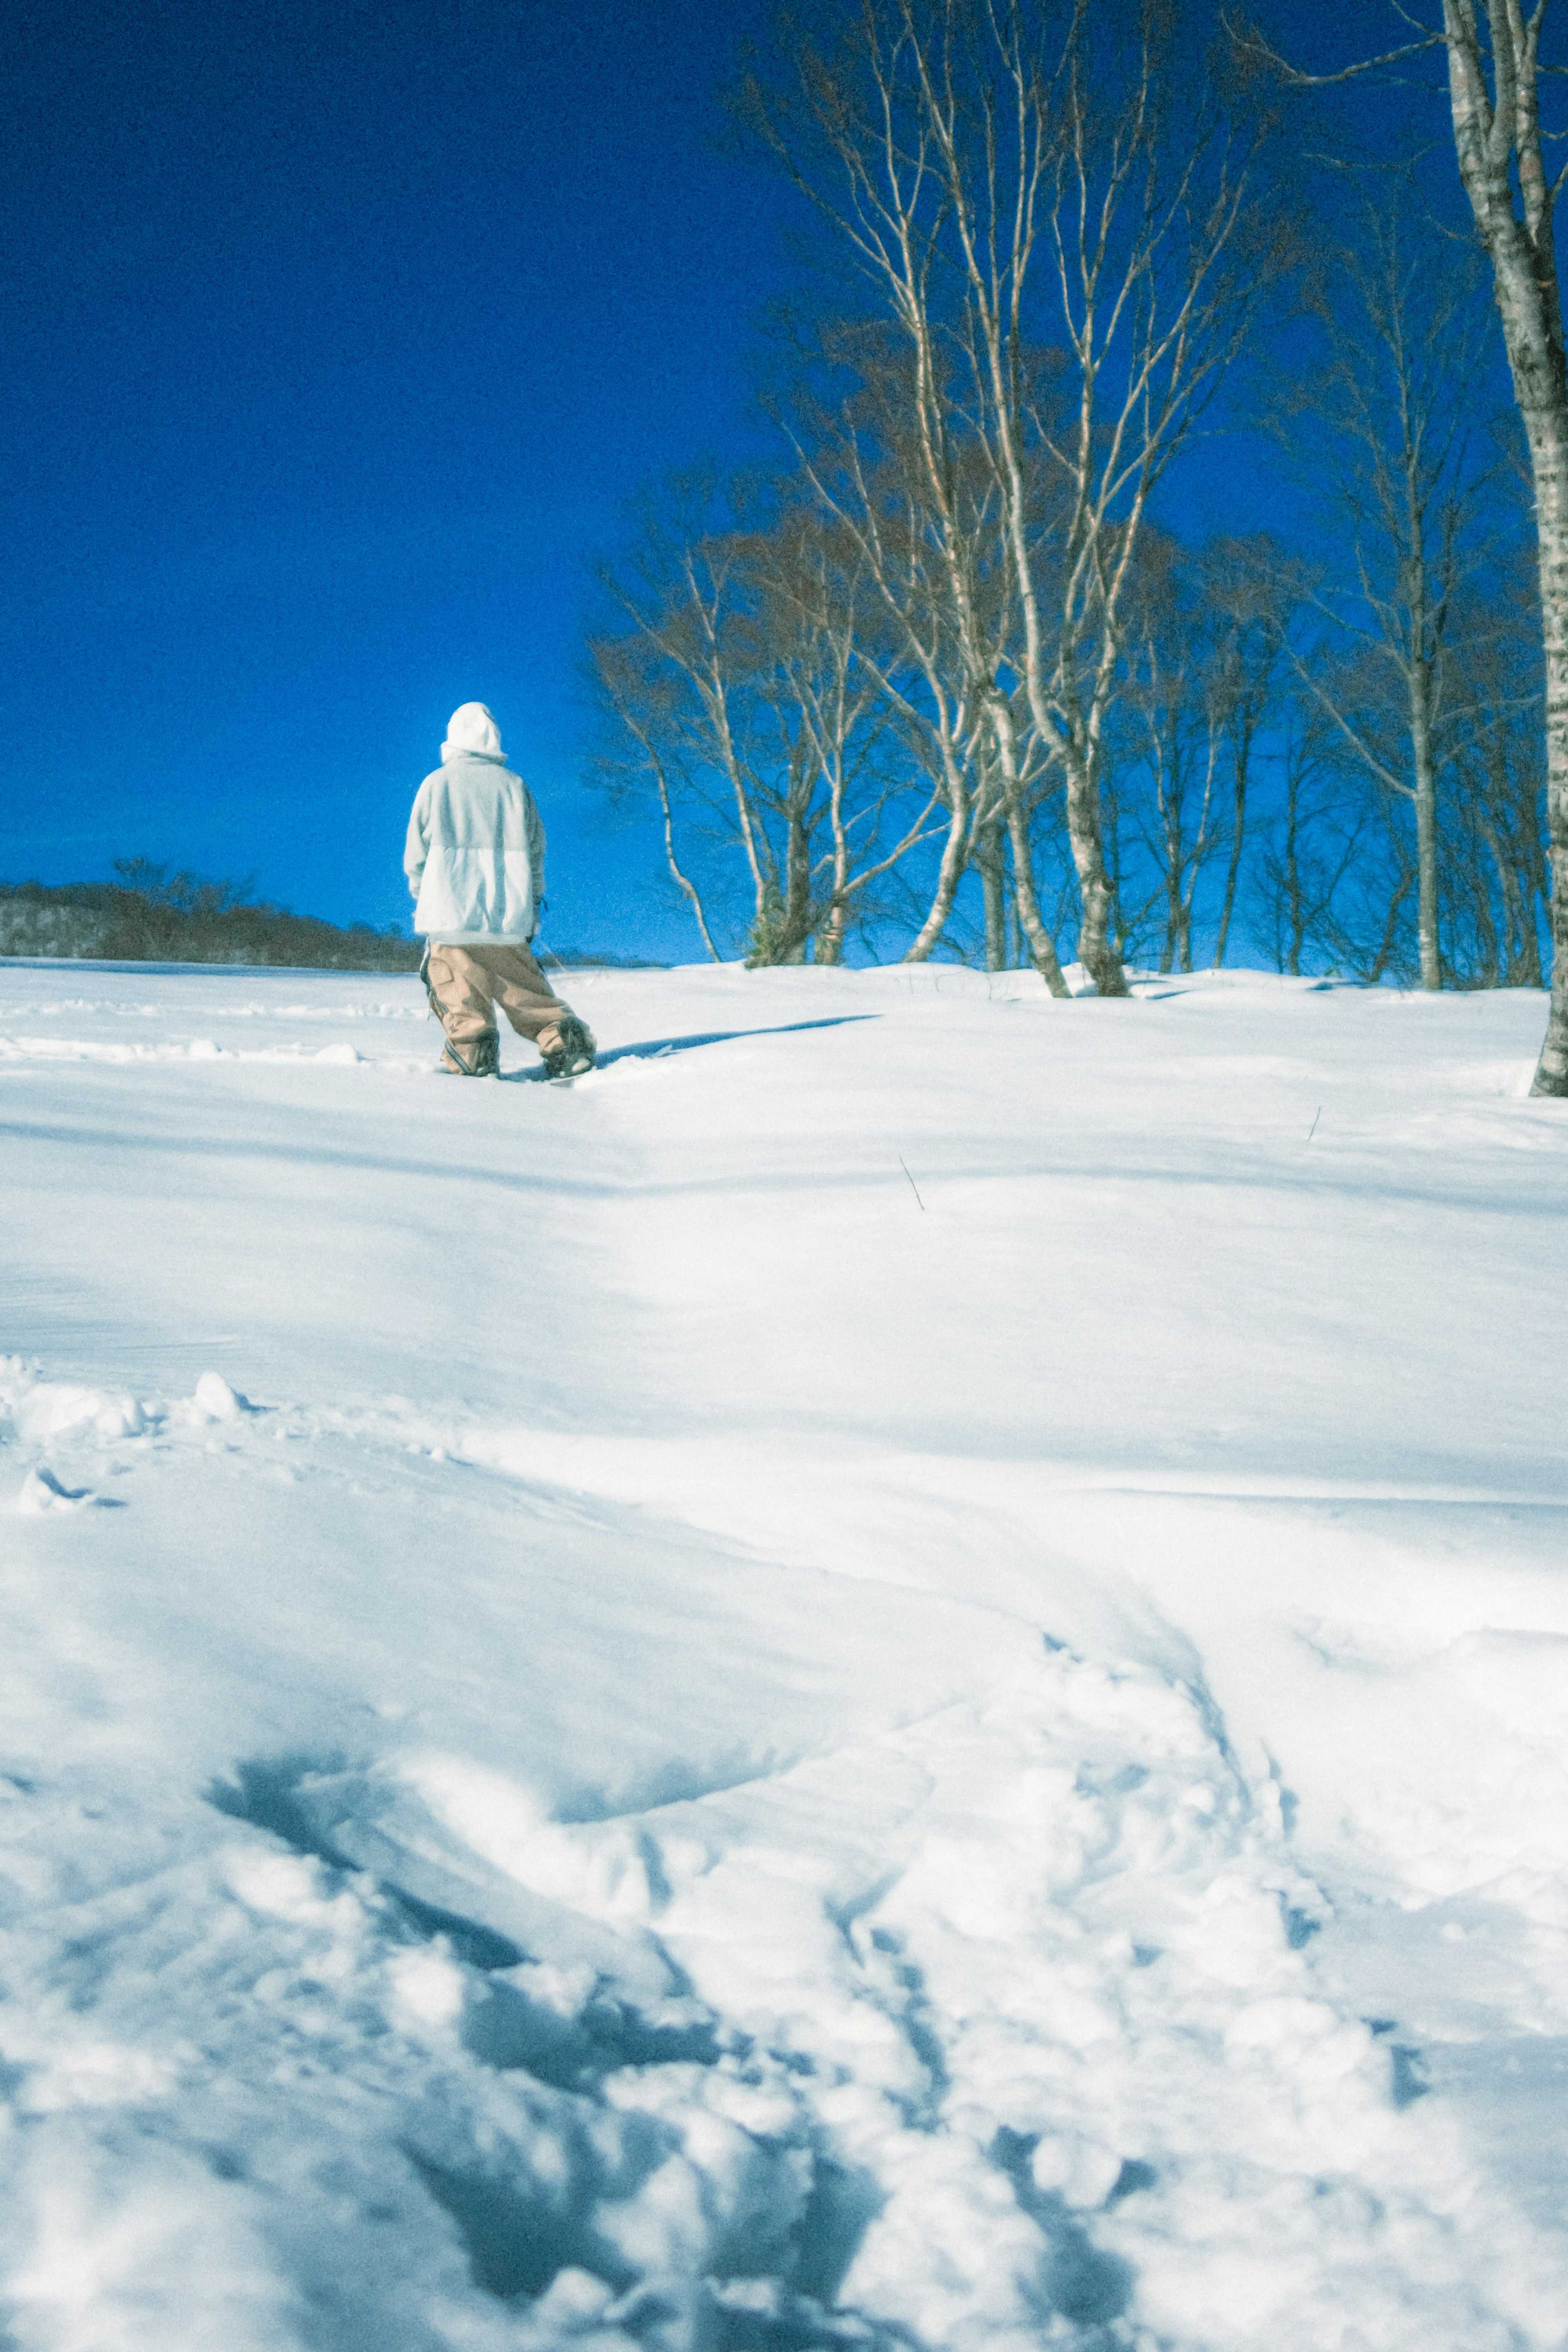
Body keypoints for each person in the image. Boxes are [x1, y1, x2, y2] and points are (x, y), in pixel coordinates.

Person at [404, 702, 596, 1080]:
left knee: (457, 992)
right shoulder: (515, 787)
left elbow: (417, 856)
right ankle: (564, 1042)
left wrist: (421, 897)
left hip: (447, 917)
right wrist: (532, 903)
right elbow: (536, 851)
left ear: (453, 738)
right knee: (526, 991)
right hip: (508, 917)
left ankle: (473, 1053)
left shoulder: (436, 784)